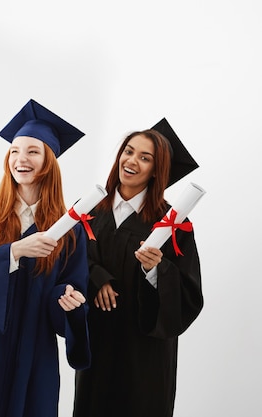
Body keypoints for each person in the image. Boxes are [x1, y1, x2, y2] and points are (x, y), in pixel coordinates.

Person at [0, 99, 92, 417]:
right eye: (14, 151)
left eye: (32, 151)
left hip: (34, 351)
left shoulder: (69, 231)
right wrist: (13, 252)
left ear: (49, 162)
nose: (20, 159)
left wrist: (67, 299)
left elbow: (74, 287)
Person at [73, 118, 204, 417]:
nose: (132, 161)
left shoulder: (172, 224)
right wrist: (97, 278)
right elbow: (69, 257)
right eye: (128, 151)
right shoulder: (89, 209)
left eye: (145, 158)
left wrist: (156, 270)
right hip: (100, 340)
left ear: (158, 170)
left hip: (144, 351)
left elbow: (189, 293)